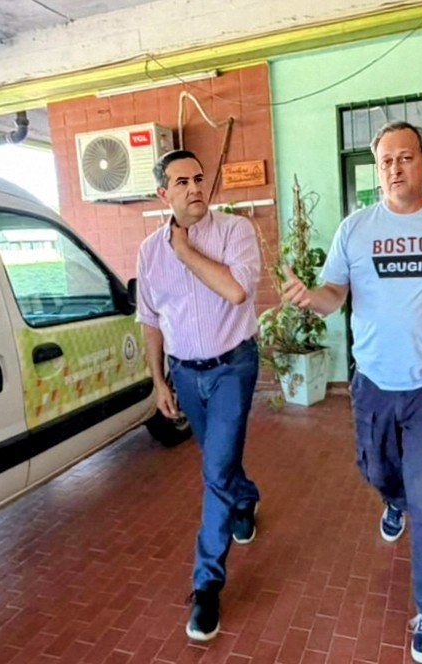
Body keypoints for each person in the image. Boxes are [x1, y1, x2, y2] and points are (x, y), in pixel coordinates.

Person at [282, 121, 422, 664]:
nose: (395, 168)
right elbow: (334, 294)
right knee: (377, 470)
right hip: (373, 382)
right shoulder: (355, 229)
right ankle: (394, 500)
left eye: (404, 158)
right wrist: (310, 299)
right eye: (385, 161)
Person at [136, 149, 261, 642]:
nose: (194, 189)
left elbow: (235, 291)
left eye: (198, 179)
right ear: (162, 194)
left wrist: (184, 250)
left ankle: (207, 584)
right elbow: (150, 319)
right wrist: (158, 380)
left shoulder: (235, 231)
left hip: (233, 367)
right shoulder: (149, 252)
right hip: (186, 375)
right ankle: (245, 500)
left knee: (215, 471)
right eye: (181, 182)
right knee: (219, 461)